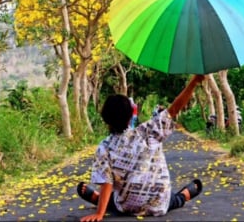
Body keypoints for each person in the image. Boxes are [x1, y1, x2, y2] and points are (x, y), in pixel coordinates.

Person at [76, 75, 205, 222]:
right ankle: (184, 196)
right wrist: (194, 82)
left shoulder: (104, 148)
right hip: (159, 205)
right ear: (130, 117)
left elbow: (107, 183)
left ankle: (99, 200)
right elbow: (174, 109)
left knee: (116, 202)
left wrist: (99, 214)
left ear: (105, 118)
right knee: (172, 200)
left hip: (128, 207)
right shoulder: (148, 131)